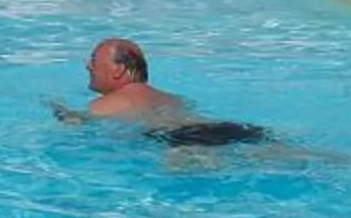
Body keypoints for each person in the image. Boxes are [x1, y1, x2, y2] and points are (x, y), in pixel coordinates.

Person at [56, 36, 268, 147]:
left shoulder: (104, 105)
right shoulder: (173, 99)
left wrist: (62, 113)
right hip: (226, 128)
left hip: (179, 139)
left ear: (118, 70)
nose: (88, 66)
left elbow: (83, 129)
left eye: (94, 60)